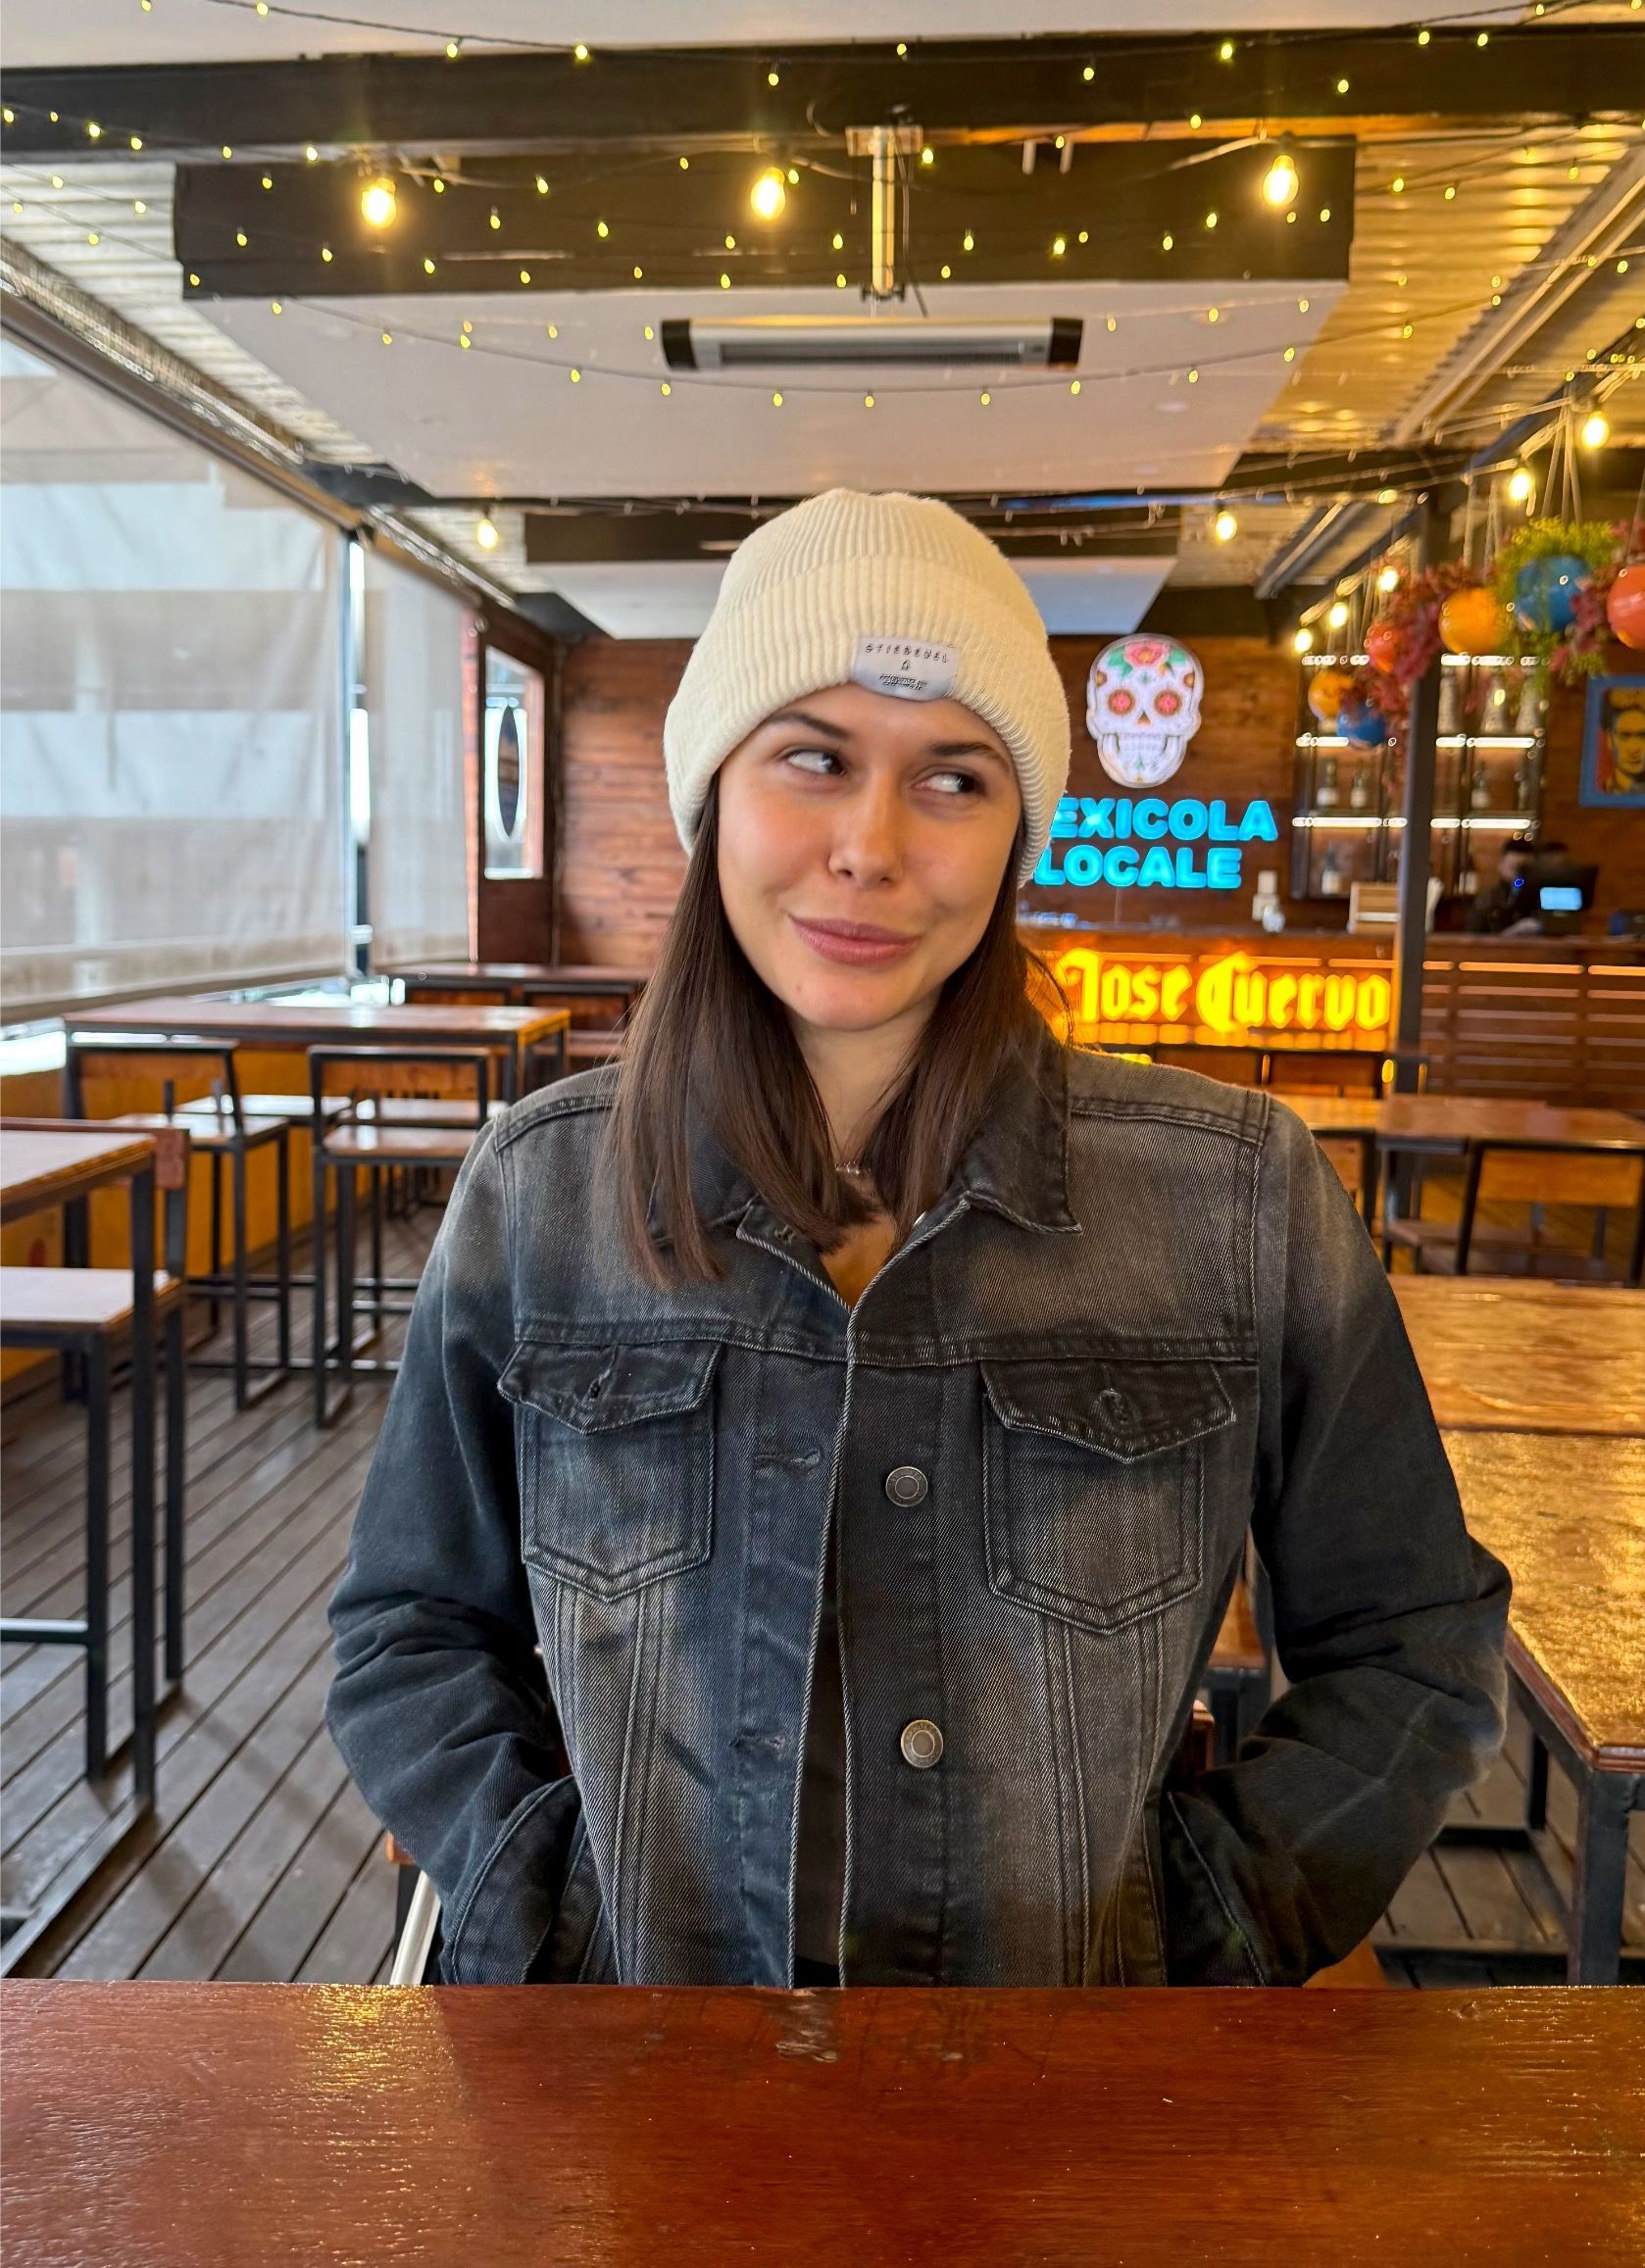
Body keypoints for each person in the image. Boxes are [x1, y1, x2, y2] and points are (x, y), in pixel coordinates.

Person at [325, 490, 1510, 1989]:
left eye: (953, 779)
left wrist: (1210, 1917)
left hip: (1067, 2109)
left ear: (1019, 833)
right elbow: (410, 1628)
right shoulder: (541, 1191)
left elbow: (1413, 1637)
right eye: (812, 759)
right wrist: (543, 1900)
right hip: (634, 2098)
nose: (871, 847)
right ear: (713, 797)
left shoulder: (1237, 1198)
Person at [1466, 835, 1534, 933]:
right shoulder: (1487, 901)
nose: (1519, 876)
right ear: (1501, 865)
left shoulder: (1540, 899)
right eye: (1514, 868)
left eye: (1526, 870)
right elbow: (1473, 938)